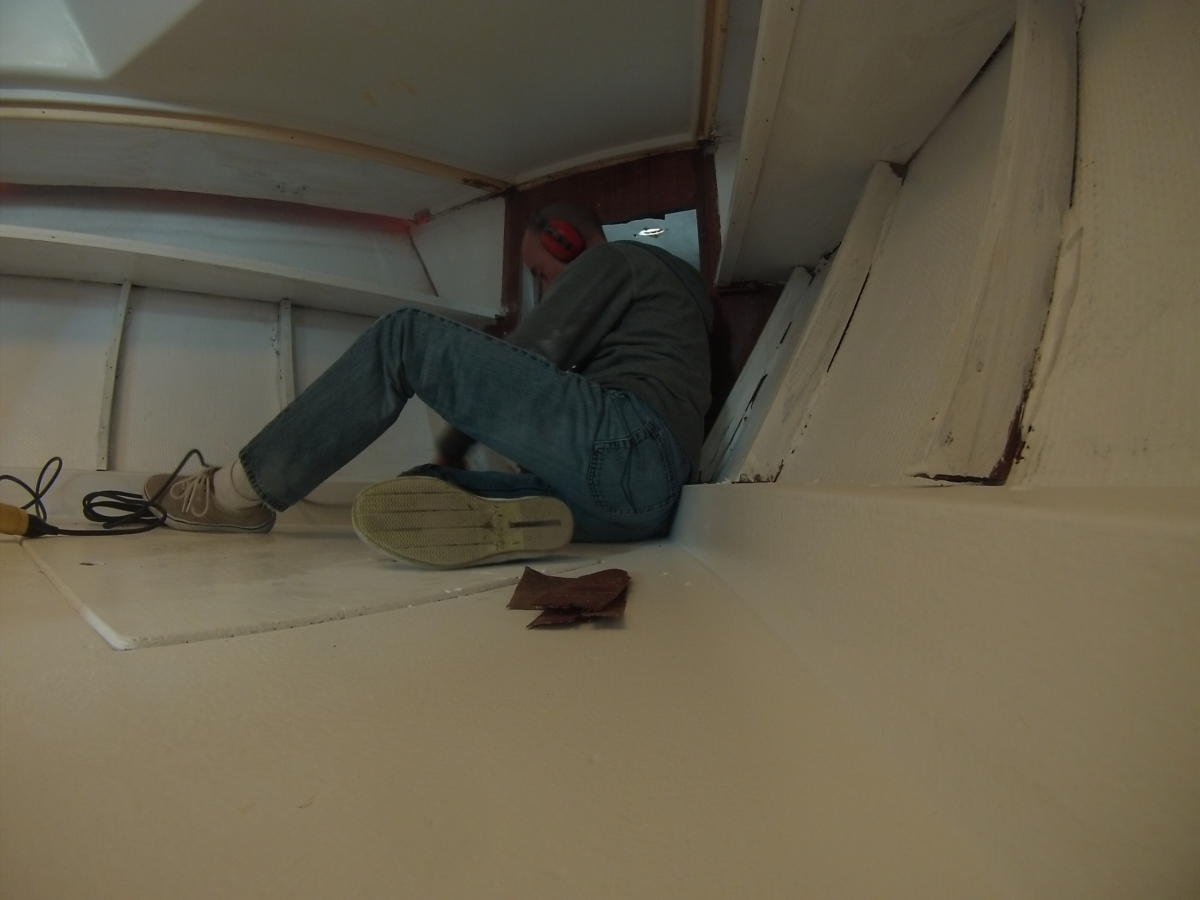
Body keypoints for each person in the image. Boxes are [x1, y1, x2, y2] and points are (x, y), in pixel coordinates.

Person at [145, 201, 713, 567]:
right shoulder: (677, 303)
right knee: (426, 489)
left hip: (630, 443)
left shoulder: (619, 261)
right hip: (646, 504)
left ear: (565, 239)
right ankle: (532, 515)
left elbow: (536, 351)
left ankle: (233, 496)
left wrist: (454, 443)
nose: (544, 288)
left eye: (541, 273)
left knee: (407, 337)